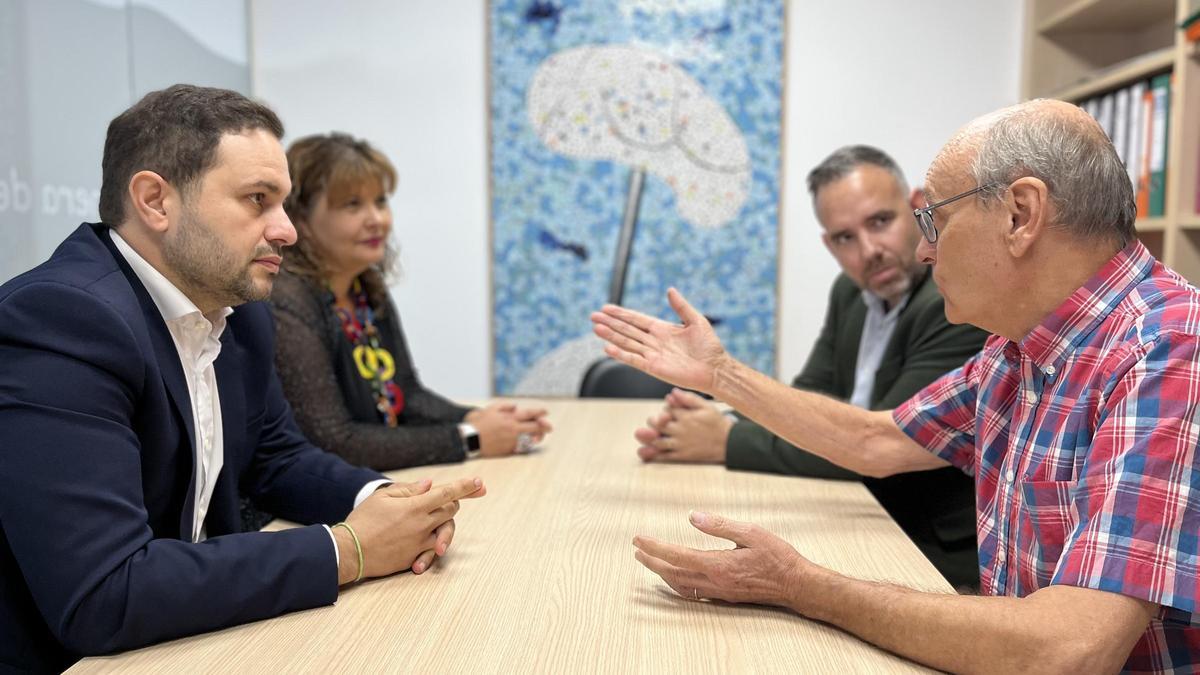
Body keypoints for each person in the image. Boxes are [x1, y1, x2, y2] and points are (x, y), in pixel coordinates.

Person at [592, 99, 1200, 672]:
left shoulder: (1170, 351)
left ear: (1021, 215)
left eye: (934, 218)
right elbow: (874, 441)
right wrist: (719, 374)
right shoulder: (1015, 349)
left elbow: (1067, 652)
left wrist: (800, 585)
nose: (925, 250)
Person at [0, 84, 485, 674]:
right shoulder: (62, 319)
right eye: (258, 200)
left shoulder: (237, 311)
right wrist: (350, 549)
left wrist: (382, 501)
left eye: (283, 203)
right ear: (155, 200)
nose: (287, 231)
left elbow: (276, 458)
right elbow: (106, 592)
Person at [634, 145, 987, 588]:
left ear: (917, 208)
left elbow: (872, 445)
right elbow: (810, 395)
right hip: (859, 516)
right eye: (845, 238)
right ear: (829, 245)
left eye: (880, 222)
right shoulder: (850, 292)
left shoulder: (951, 305)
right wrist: (712, 420)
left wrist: (726, 439)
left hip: (927, 546)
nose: (869, 250)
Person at [270, 132, 551, 471]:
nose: (377, 219)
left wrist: (483, 419)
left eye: (381, 201)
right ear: (301, 220)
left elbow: (407, 396)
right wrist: (470, 438)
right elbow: (333, 441)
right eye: (352, 204)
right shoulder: (285, 301)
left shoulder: (365, 289)